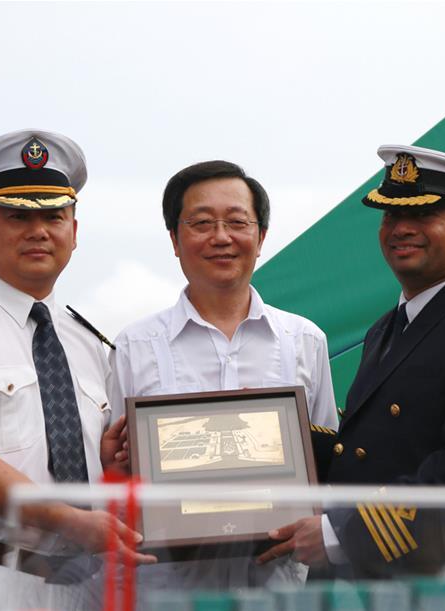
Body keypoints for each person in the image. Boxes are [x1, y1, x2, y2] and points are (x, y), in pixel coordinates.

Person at [258, 144, 445, 578]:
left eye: (422, 216)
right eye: (391, 216)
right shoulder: (385, 329)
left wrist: (338, 536)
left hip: (444, 585)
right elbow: (363, 454)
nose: (400, 229)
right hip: (371, 584)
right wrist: (259, 431)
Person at [0, 129, 154, 611]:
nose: (38, 230)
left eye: (53, 216)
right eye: (18, 215)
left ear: (74, 233)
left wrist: (105, 465)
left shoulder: (88, 341)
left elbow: (90, 470)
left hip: (79, 588)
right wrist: (69, 518)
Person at [108, 160, 338, 590]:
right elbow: (113, 477)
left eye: (236, 222)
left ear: (261, 236)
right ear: (175, 240)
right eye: (201, 223)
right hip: (167, 590)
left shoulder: (305, 340)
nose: (221, 237)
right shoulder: (133, 347)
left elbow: (327, 463)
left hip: (277, 589)